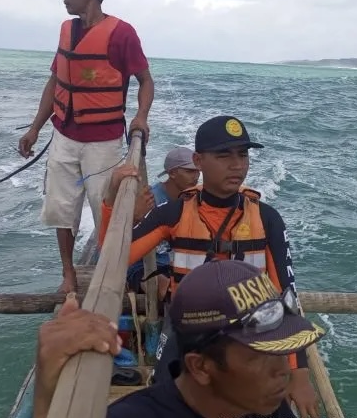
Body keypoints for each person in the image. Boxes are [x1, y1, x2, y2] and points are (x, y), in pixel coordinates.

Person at [98, 115, 320, 417]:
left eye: (243, 154)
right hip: (189, 332)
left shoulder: (267, 219)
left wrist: (300, 374)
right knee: (170, 392)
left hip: (252, 336)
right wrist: (112, 200)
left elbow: (286, 296)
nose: (237, 165)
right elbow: (114, 258)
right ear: (198, 161)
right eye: (224, 155)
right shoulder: (174, 212)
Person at [33, 259, 327, 418]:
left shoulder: (264, 406)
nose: (283, 370)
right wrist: (47, 392)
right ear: (200, 367)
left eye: (279, 350)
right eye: (260, 354)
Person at [17, 0, 154, 294]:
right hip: (63, 135)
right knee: (60, 208)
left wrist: (140, 117)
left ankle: (112, 274)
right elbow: (55, 82)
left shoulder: (122, 33)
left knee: (104, 207)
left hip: (102, 142)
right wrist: (35, 128)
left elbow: (146, 81)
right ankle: (68, 275)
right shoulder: (67, 31)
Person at [127, 146, 200, 299]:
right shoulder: (149, 200)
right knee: (163, 285)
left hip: (177, 262)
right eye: (189, 171)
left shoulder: (193, 198)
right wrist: (135, 217)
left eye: (197, 171)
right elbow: (123, 242)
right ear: (172, 173)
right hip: (145, 266)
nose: (196, 177)